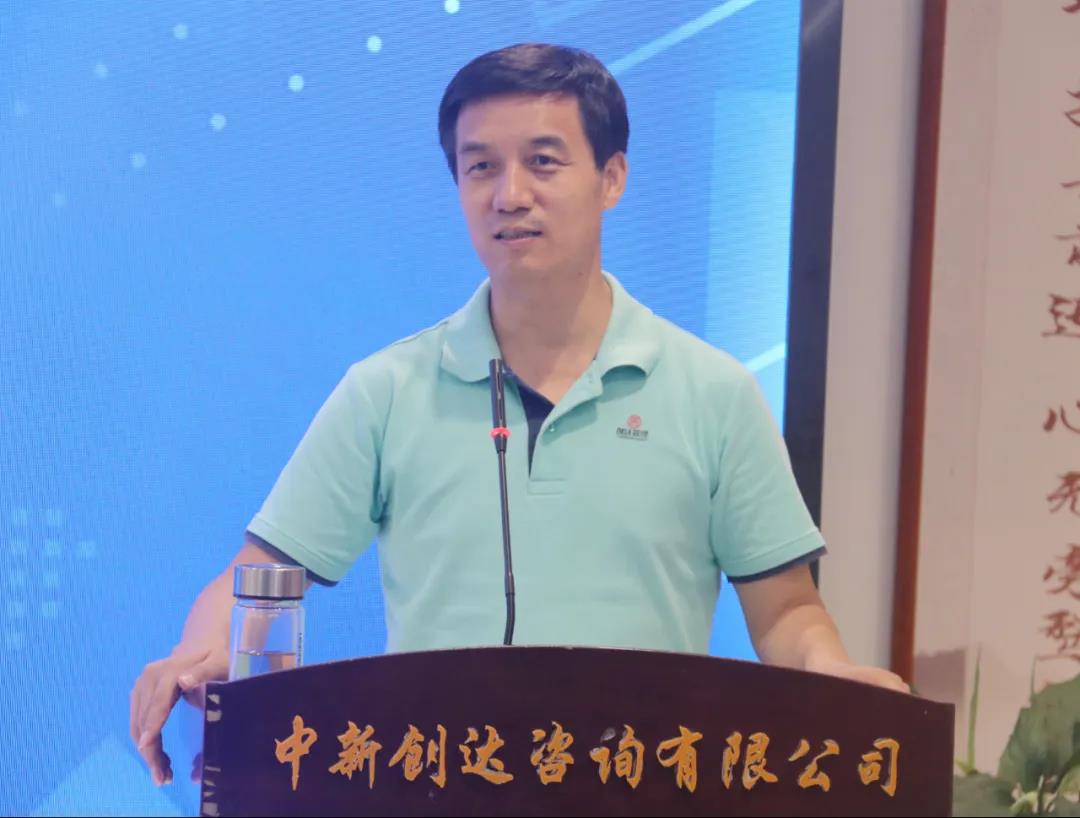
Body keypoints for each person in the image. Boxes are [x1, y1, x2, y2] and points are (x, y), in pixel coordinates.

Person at [129, 42, 907, 788]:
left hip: (643, 791)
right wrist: (200, 652)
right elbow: (259, 576)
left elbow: (786, 609)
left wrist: (830, 673)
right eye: (480, 167)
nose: (509, 194)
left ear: (611, 177)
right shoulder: (386, 391)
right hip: (433, 791)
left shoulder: (714, 392)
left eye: (543, 161)